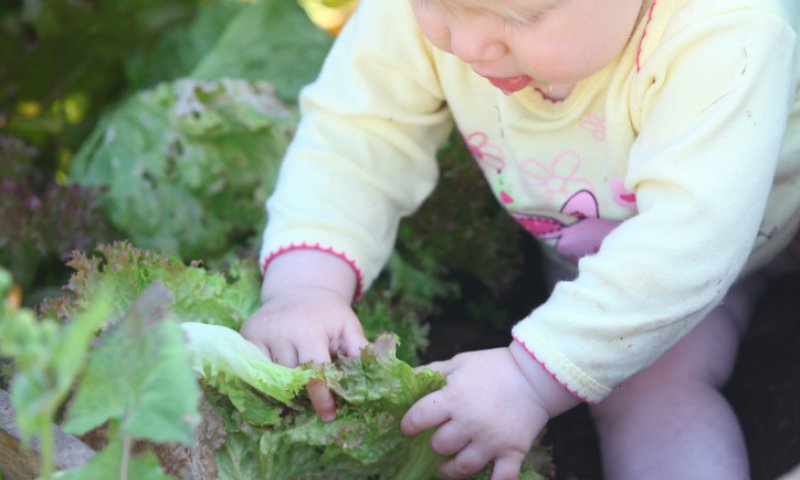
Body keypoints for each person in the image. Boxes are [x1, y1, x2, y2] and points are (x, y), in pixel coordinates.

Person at [241, 0, 800, 478]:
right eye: (437, 5)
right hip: (635, 282)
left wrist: (529, 378)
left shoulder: (726, 27)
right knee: (643, 391)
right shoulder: (442, 17)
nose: (466, 42)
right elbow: (356, 131)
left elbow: (688, 240)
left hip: (716, 230)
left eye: (523, 16)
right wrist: (306, 285)